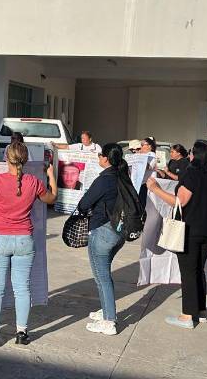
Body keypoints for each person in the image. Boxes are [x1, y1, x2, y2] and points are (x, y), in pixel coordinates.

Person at [0, 141, 57, 347]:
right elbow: (51, 198)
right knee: (22, 288)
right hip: (24, 240)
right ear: (25, 160)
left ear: (6, 158)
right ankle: (22, 333)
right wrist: (51, 175)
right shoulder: (34, 182)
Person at [146, 140, 207, 329]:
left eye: (191, 152)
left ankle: (187, 315)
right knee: (199, 270)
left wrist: (155, 189)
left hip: (191, 229)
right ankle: (200, 311)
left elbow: (180, 202)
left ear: (196, 155)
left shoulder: (192, 174)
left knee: (189, 272)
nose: (189, 155)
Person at [77, 143, 131, 335]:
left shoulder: (104, 179)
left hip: (103, 232)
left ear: (106, 158)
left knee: (102, 277)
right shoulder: (123, 176)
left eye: (100, 155)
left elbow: (84, 204)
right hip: (119, 232)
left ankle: (109, 321)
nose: (99, 157)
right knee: (104, 275)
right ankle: (107, 310)